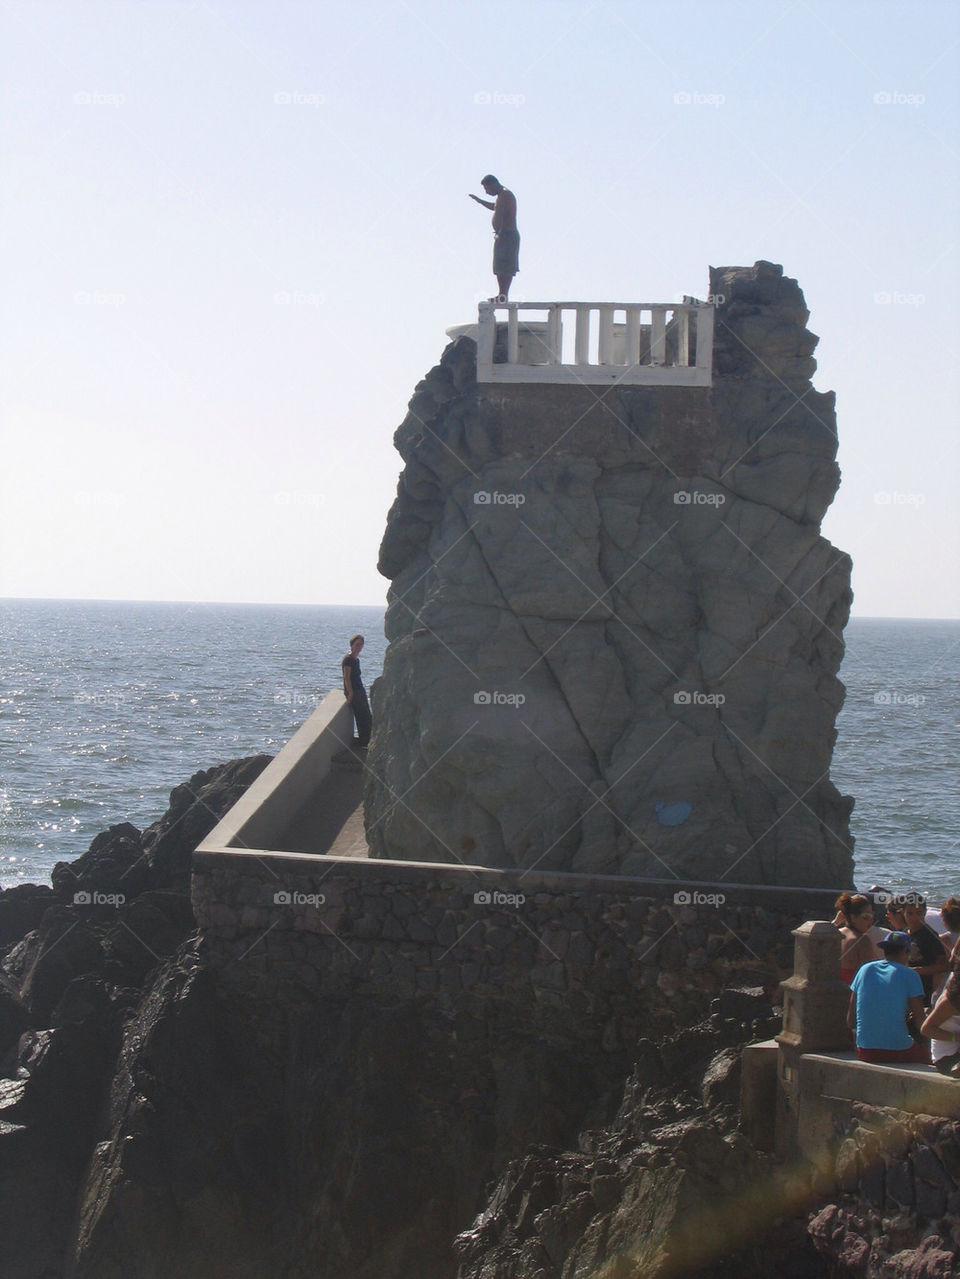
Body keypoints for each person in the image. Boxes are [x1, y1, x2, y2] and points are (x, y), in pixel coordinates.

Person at [847, 931, 928, 1064]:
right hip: (899, 1050)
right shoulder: (910, 975)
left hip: (865, 1050)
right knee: (933, 1060)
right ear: (905, 951)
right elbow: (921, 1023)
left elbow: (850, 1021)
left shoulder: (864, 969)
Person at [469, 175, 519, 302]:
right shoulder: (501, 197)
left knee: (505, 266)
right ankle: (501, 294)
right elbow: (495, 207)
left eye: (487, 189)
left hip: (507, 234)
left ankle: (503, 294)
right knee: (499, 266)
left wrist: (500, 231)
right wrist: (480, 202)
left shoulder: (505, 195)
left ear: (493, 184)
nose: (487, 192)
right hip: (503, 234)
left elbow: (502, 213)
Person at [902, 893, 949, 1005]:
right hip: (904, 988)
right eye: (910, 913)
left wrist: (917, 971)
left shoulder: (930, 935)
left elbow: (944, 966)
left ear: (925, 913)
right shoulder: (903, 935)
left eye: (919, 913)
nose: (914, 918)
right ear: (902, 912)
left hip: (922, 992)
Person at [834, 892, 881, 985]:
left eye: (872, 915)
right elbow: (871, 975)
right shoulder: (862, 940)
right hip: (854, 993)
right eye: (866, 917)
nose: (871, 920)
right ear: (853, 917)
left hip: (837, 991)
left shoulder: (836, 934)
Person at [341, 634, 371, 750]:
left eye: (361, 644)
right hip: (354, 692)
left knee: (367, 716)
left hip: (360, 690)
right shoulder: (348, 660)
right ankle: (363, 741)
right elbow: (347, 678)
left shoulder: (356, 660)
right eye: (357, 644)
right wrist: (350, 693)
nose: (359, 647)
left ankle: (367, 740)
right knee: (361, 716)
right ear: (352, 645)